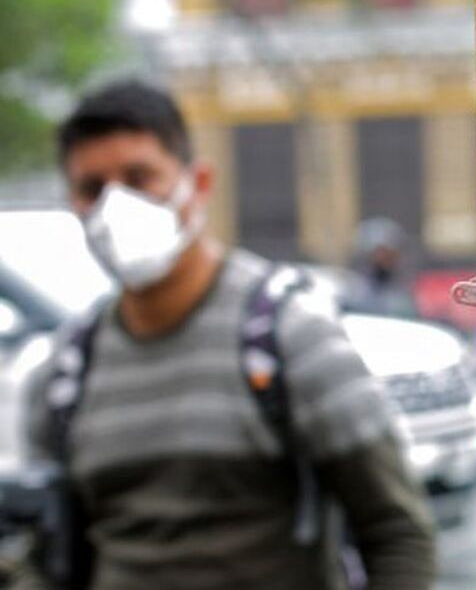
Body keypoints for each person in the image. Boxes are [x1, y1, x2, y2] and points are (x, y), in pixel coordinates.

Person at [21, 80, 436, 589]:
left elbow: (397, 532)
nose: (114, 206)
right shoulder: (65, 372)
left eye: (139, 178)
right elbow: (49, 550)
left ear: (197, 183)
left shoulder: (290, 334)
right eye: (92, 188)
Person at [343, 217, 419, 317]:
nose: (387, 259)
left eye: (391, 254)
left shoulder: (401, 292)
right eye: (382, 253)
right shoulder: (354, 292)